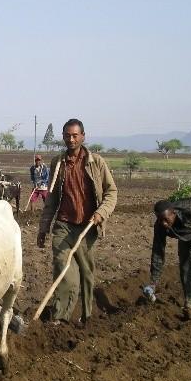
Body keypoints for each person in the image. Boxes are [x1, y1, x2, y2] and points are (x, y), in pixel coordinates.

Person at [37, 119, 117, 324]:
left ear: (83, 136)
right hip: (64, 225)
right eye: (67, 136)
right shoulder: (58, 163)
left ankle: (87, 314)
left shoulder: (95, 162)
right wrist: (43, 228)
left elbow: (111, 192)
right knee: (64, 270)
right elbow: (52, 197)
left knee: (87, 273)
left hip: (88, 226)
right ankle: (61, 317)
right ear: (63, 137)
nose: (71, 139)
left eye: (75, 135)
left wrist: (101, 213)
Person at [146, 198, 191, 320]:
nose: (163, 223)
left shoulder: (189, 212)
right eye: (160, 219)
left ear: (173, 213)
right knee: (184, 264)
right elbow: (158, 252)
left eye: (166, 219)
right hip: (185, 234)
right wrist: (154, 282)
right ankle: (188, 300)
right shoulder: (160, 226)